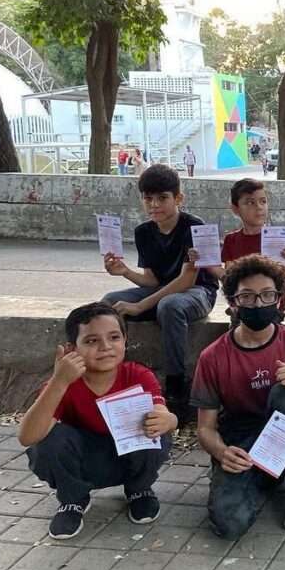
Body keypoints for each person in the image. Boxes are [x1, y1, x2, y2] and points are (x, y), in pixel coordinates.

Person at [17, 303, 175, 539]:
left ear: (125, 341)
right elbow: (27, 437)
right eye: (91, 341)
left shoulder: (138, 375)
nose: (105, 347)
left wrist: (168, 420)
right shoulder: (63, 383)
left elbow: (164, 414)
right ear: (73, 348)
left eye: (114, 337)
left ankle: (139, 489)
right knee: (46, 441)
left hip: (128, 457)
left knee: (156, 432)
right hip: (85, 459)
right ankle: (73, 499)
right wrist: (58, 382)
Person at [191, 255, 285, 538]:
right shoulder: (212, 357)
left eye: (267, 295)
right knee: (229, 524)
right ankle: (259, 477)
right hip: (240, 444)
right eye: (247, 297)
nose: (259, 304)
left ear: (278, 298)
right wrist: (222, 452)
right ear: (233, 302)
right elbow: (205, 428)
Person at [101, 164, 218, 423]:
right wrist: (125, 272)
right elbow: (151, 279)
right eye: (148, 198)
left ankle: (175, 389)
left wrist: (141, 306)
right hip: (160, 291)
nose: (155, 205)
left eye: (162, 198)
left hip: (197, 292)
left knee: (170, 306)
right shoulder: (144, 231)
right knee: (108, 303)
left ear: (178, 198)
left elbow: (187, 280)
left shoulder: (194, 227)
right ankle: (112, 377)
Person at [221, 178, 285, 320]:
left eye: (263, 201)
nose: (259, 207)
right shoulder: (231, 240)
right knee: (237, 333)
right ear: (235, 209)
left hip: (272, 306)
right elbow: (229, 277)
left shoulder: (276, 239)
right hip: (242, 306)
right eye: (250, 202)